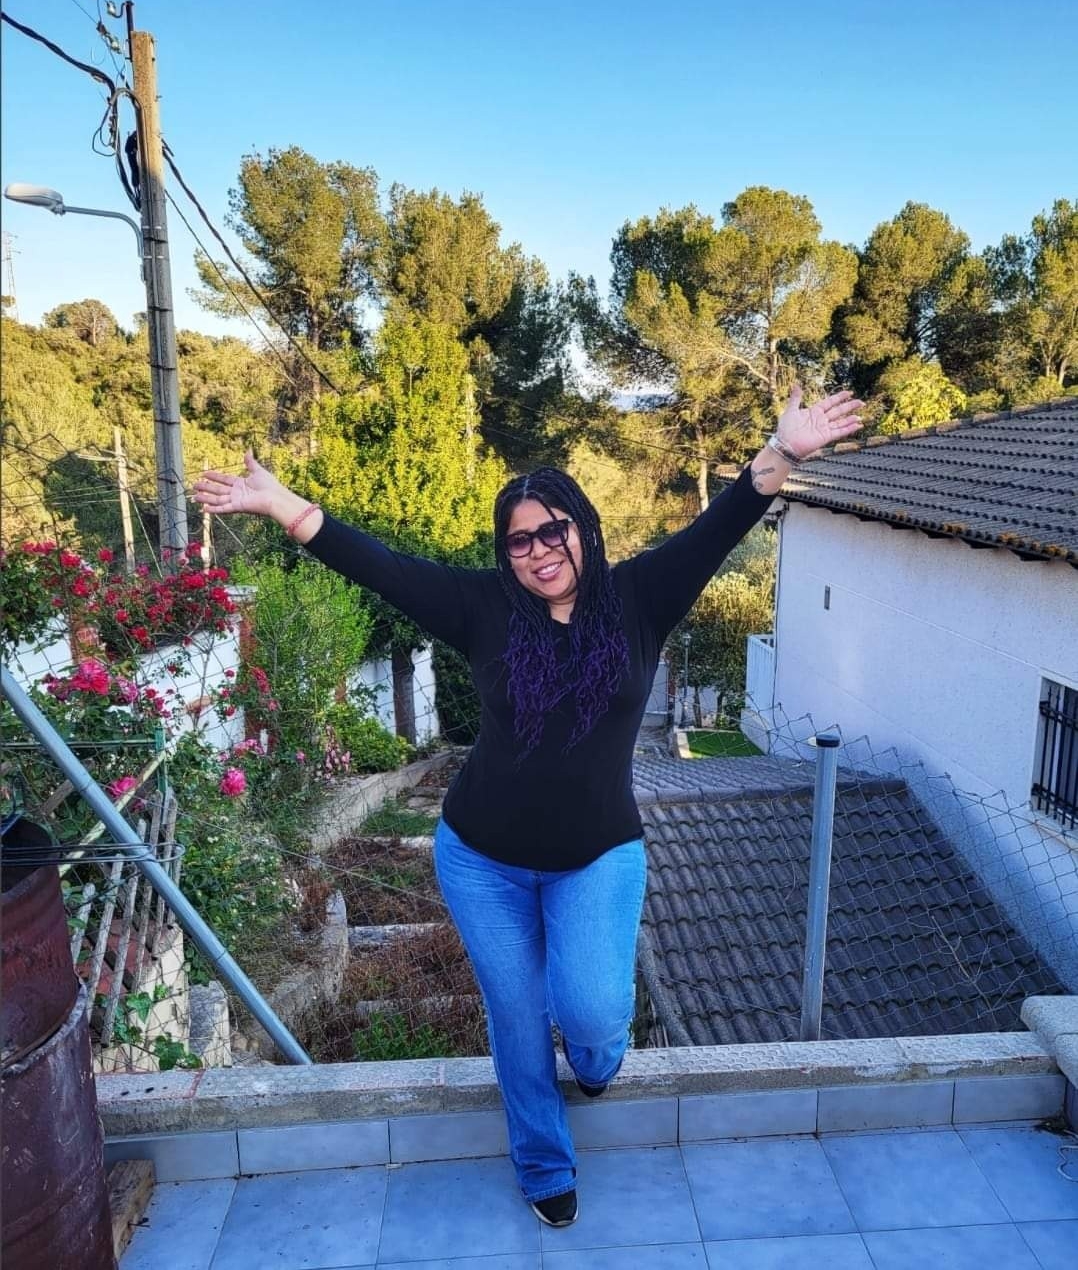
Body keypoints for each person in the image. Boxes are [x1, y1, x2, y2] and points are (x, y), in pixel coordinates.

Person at [193, 384, 864, 1228]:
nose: (540, 550)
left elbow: (724, 520)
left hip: (599, 854)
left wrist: (786, 450)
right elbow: (380, 565)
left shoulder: (641, 596)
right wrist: (280, 502)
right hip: (482, 859)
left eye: (554, 530)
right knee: (516, 1016)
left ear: (583, 527)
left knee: (592, 1014)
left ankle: (598, 1059)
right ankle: (544, 1163)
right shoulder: (483, 607)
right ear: (505, 553)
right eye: (520, 540)